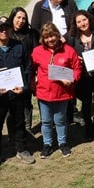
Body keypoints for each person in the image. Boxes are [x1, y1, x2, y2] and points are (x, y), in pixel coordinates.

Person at [0, 16, 36, 170]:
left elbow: (27, 67)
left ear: (11, 29)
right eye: (0, 29)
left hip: (17, 94)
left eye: (7, 28)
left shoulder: (19, 46)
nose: (4, 31)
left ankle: (21, 149)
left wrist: (24, 87)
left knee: (19, 122)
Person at [31, 23, 81, 159]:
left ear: (58, 35)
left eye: (52, 36)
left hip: (62, 93)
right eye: (46, 37)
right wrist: (32, 83)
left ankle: (63, 143)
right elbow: (31, 69)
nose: (50, 40)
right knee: (46, 121)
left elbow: (77, 69)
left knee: (60, 120)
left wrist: (72, 79)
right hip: (44, 93)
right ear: (43, 38)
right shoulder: (37, 52)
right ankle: (47, 144)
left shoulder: (69, 51)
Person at [64, 10, 94, 140]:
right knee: (86, 102)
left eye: (84, 20)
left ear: (89, 20)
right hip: (83, 76)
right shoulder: (72, 37)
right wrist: (74, 59)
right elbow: (65, 52)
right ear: (75, 24)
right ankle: (88, 127)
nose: (82, 23)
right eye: (79, 22)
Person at [9, 6, 39, 134]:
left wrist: (33, 75)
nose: (21, 21)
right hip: (11, 74)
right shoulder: (7, 33)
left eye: (23, 18)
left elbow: (36, 52)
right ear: (12, 18)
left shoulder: (30, 34)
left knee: (27, 102)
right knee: (11, 104)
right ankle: (13, 130)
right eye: (18, 18)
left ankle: (27, 128)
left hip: (27, 72)